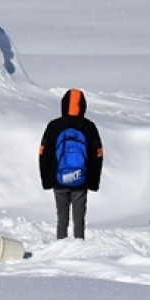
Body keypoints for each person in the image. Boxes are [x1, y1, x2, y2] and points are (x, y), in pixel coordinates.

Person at [38, 88, 104, 240]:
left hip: (59, 179)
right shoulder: (89, 127)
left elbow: (43, 154)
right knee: (79, 220)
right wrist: (93, 182)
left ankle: (61, 245)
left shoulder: (54, 126)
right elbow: (98, 155)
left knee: (62, 218)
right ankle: (79, 246)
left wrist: (47, 180)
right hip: (81, 180)